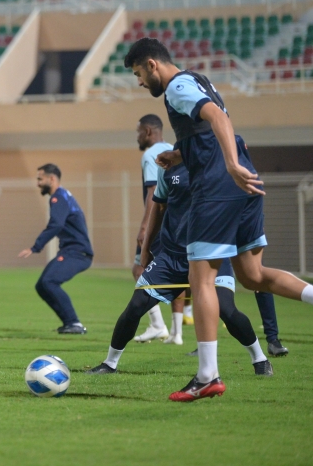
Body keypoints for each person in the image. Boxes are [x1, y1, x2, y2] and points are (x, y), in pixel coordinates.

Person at [123, 37, 313, 401]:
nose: (140, 83)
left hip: (217, 186)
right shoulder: (197, 78)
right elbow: (207, 129)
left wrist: (229, 165)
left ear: (152, 64)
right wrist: (182, 155)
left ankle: (207, 375)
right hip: (241, 184)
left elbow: (216, 116)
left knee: (201, 278)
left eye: (138, 74)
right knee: (252, 276)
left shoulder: (176, 87)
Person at [87, 161, 273, 377]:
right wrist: (145, 250)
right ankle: (110, 364)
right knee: (136, 305)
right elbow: (157, 208)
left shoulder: (219, 166)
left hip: (210, 253)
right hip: (172, 256)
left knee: (226, 310)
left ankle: (260, 359)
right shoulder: (168, 167)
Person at [18, 164, 94, 334]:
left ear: (51, 179)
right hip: (72, 251)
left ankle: (74, 323)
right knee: (42, 285)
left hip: (77, 252)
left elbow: (56, 224)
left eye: (40, 179)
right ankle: (69, 323)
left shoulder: (58, 198)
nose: (37, 183)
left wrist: (36, 246)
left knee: (49, 282)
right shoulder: (63, 196)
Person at [132, 114, 175, 343]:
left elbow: (153, 192)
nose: (137, 137)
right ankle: (176, 331)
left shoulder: (151, 155)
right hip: (176, 223)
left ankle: (157, 325)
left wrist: (144, 228)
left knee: (139, 268)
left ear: (148, 131)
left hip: (159, 223)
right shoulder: (173, 149)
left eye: (139, 132)